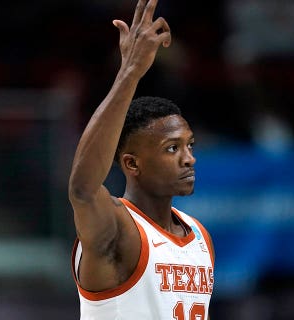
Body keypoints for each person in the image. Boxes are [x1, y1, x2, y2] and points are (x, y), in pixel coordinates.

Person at [68, 0, 215, 319]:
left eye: (189, 145)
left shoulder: (199, 236)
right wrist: (129, 74)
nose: (189, 159)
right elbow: (82, 190)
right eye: (172, 148)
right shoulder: (116, 227)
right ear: (132, 164)